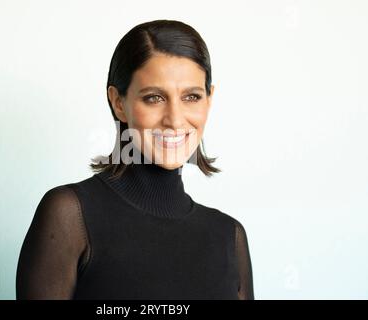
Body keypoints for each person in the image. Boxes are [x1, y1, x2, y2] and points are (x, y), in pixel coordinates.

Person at [16, 19, 254, 300]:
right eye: (154, 98)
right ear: (119, 103)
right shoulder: (70, 216)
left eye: (191, 96)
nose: (175, 120)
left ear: (209, 100)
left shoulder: (228, 235)